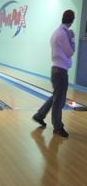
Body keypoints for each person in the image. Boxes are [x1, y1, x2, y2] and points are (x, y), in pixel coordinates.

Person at [32, 10, 75, 138]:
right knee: (59, 100)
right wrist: (72, 38)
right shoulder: (64, 34)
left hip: (55, 70)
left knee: (56, 96)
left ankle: (39, 115)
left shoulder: (56, 32)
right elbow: (70, 52)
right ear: (72, 21)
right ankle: (57, 127)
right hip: (61, 71)